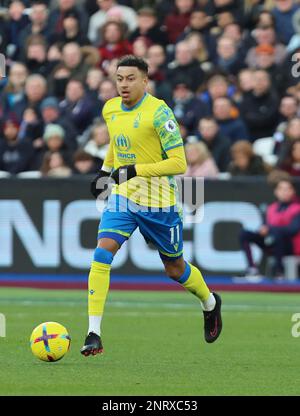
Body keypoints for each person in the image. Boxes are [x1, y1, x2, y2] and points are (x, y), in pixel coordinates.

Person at [80, 55, 223, 356]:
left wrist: (136, 170)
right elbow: (117, 144)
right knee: (102, 253)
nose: (124, 84)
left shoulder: (159, 113)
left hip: (159, 202)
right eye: (119, 78)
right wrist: (106, 172)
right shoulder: (110, 109)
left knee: (174, 268)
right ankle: (94, 332)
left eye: (131, 78)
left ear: (145, 81)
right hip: (124, 197)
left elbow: (179, 163)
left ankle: (210, 302)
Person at [239, 177, 300, 280]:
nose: (284, 192)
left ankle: (279, 272)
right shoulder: (271, 208)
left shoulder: (297, 208)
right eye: (281, 189)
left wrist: (270, 229)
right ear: (276, 192)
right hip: (272, 243)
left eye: (287, 189)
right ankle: (252, 269)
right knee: (244, 234)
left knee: (277, 234)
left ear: (292, 191)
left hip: (290, 246)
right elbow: (265, 226)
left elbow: (292, 230)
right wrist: (263, 230)